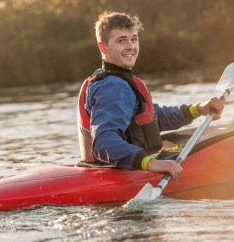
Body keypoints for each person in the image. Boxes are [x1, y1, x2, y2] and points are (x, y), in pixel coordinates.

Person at [77, 11, 224, 180]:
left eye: (134, 39)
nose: (130, 46)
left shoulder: (116, 80)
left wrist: (197, 109)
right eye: (121, 41)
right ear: (103, 47)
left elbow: (153, 118)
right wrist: (151, 163)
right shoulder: (112, 87)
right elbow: (104, 142)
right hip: (113, 174)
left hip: (121, 166)